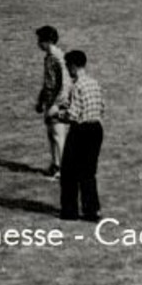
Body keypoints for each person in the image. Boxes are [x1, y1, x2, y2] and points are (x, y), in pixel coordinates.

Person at [55, 49, 105, 221]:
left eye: (68, 66)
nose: (68, 70)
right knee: (88, 172)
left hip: (80, 130)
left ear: (74, 67)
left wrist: (59, 115)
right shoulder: (94, 83)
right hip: (96, 129)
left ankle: (70, 211)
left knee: (69, 171)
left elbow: (73, 115)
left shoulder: (77, 86)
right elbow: (102, 107)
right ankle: (92, 210)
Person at [34, 25, 71, 178]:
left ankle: (63, 169)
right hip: (50, 101)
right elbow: (48, 82)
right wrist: (41, 100)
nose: (38, 43)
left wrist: (56, 103)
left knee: (58, 134)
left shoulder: (57, 58)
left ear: (48, 41)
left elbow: (64, 83)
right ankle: (55, 165)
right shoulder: (49, 57)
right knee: (51, 134)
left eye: (40, 40)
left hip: (57, 102)